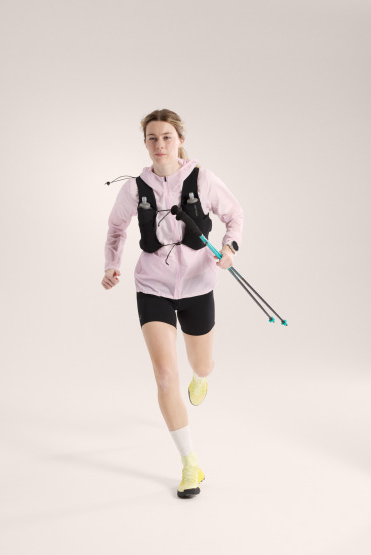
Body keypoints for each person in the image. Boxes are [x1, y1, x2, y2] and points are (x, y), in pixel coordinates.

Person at [101, 109, 243, 498]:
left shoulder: (202, 179)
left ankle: (202, 376)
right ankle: (189, 463)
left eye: (166, 137)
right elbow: (116, 228)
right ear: (145, 143)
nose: (159, 144)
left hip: (198, 284)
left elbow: (234, 215)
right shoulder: (135, 188)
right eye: (152, 138)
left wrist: (230, 248)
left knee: (202, 364)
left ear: (180, 140)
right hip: (153, 286)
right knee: (165, 376)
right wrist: (112, 265)